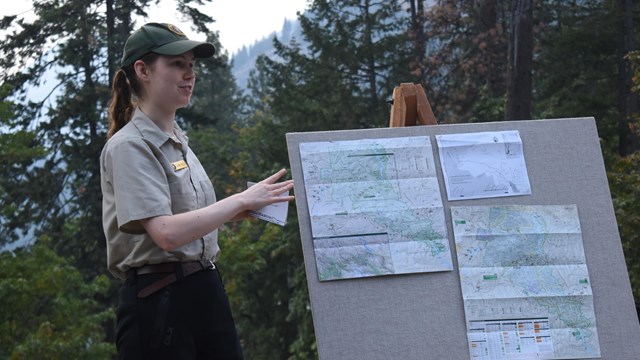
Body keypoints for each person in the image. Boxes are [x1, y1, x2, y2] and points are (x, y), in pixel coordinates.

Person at [100, 22, 294, 360]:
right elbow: (166, 234)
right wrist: (239, 200)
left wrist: (239, 210)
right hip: (159, 302)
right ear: (142, 70)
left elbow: (183, 220)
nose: (189, 74)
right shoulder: (129, 146)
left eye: (191, 65)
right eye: (176, 64)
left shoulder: (177, 140)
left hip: (203, 292)